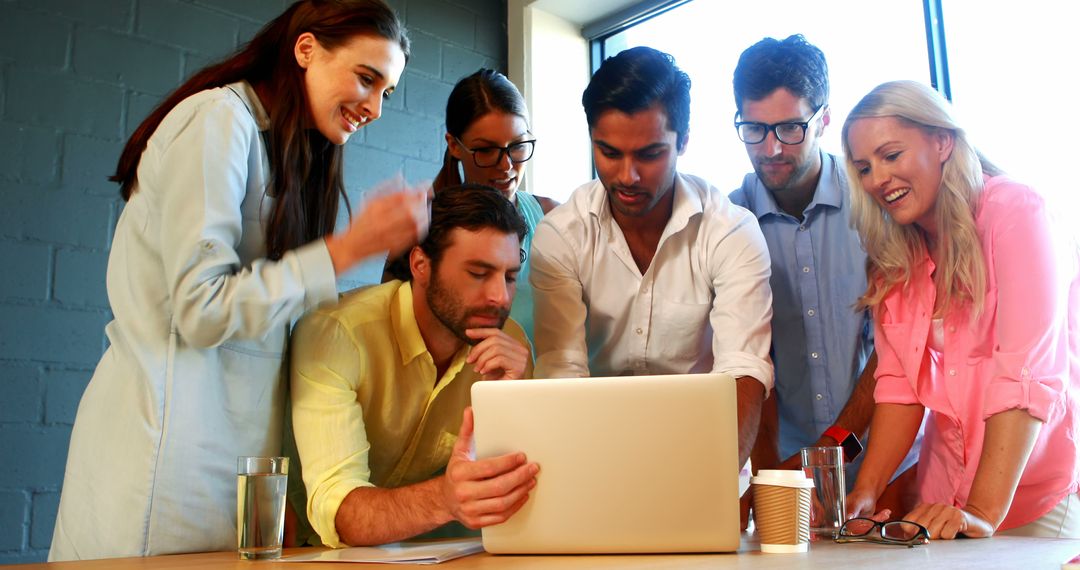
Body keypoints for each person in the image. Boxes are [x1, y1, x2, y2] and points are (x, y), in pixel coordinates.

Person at [49, 0, 429, 561]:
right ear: (306, 49)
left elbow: (279, 335)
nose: (374, 107)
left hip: (234, 475)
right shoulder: (216, 119)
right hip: (158, 464)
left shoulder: (292, 157)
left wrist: (290, 490)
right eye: (366, 78)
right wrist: (349, 248)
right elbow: (201, 310)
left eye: (386, 93)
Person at [843, 80, 1080, 539]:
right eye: (864, 168)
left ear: (943, 140)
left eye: (891, 156)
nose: (877, 180)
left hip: (1034, 499)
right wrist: (866, 493)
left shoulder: (1015, 212)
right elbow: (899, 389)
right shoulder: (896, 258)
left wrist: (983, 512)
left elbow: (1023, 377)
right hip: (943, 500)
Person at [529, 46, 773, 468]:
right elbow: (562, 372)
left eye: (649, 154)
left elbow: (743, 371)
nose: (628, 176)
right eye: (609, 152)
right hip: (595, 456)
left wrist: (708, 484)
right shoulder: (560, 236)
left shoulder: (731, 230)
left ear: (684, 142)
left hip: (706, 454)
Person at [727, 35, 919, 522]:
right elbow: (746, 362)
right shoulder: (726, 222)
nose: (770, 148)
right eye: (754, 128)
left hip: (894, 468)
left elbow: (896, 350)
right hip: (788, 482)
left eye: (791, 128)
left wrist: (827, 453)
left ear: (824, 119)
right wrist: (776, 477)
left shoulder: (879, 202)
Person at [291, 184, 537, 547]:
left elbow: (522, 486)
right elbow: (339, 508)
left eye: (510, 277)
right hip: (298, 549)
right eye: (478, 273)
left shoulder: (510, 348)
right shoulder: (339, 333)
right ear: (421, 265)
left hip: (412, 553)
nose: (500, 296)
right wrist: (446, 499)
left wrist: (516, 397)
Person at [386, 69, 558, 341]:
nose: (507, 165)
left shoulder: (553, 219)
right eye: (486, 150)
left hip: (535, 381)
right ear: (454, 145)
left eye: (518, 145)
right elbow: (394, 333)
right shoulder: (417, 226)